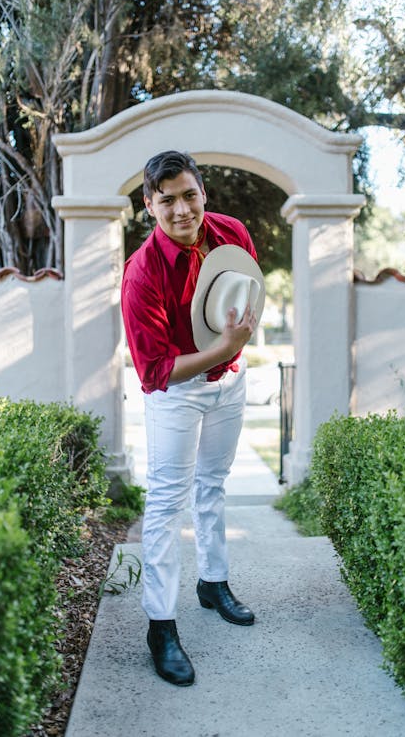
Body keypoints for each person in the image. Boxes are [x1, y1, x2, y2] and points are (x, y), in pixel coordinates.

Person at [120, 150, 264, 687]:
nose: (182, 210)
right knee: (165, 503)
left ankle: (214, 581)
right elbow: (156, 371)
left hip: (231, 381)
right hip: (177, 393)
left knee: (213, 484)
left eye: (189, 195)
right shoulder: (142, 275)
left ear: (203, 191)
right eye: (167, 200)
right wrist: (225, 346)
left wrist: (233, 352)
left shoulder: (231, 232)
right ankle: (161, 625)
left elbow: (248, 292)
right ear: (149, 205)